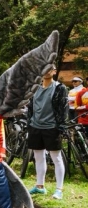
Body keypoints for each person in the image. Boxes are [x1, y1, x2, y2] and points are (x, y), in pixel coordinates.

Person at [27, 67, 68, 199]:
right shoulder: (35, 88)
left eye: (50, 69)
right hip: (35, 126)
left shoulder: (59, 88)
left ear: (54, 71)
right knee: (38, 157)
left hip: (52, 127)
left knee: (56, 158)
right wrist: (29, 123)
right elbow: (30, 107)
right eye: (44, 68)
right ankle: (40, 186)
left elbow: (63, 109)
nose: (46, 71)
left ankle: (59, 189)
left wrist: (60, 127)